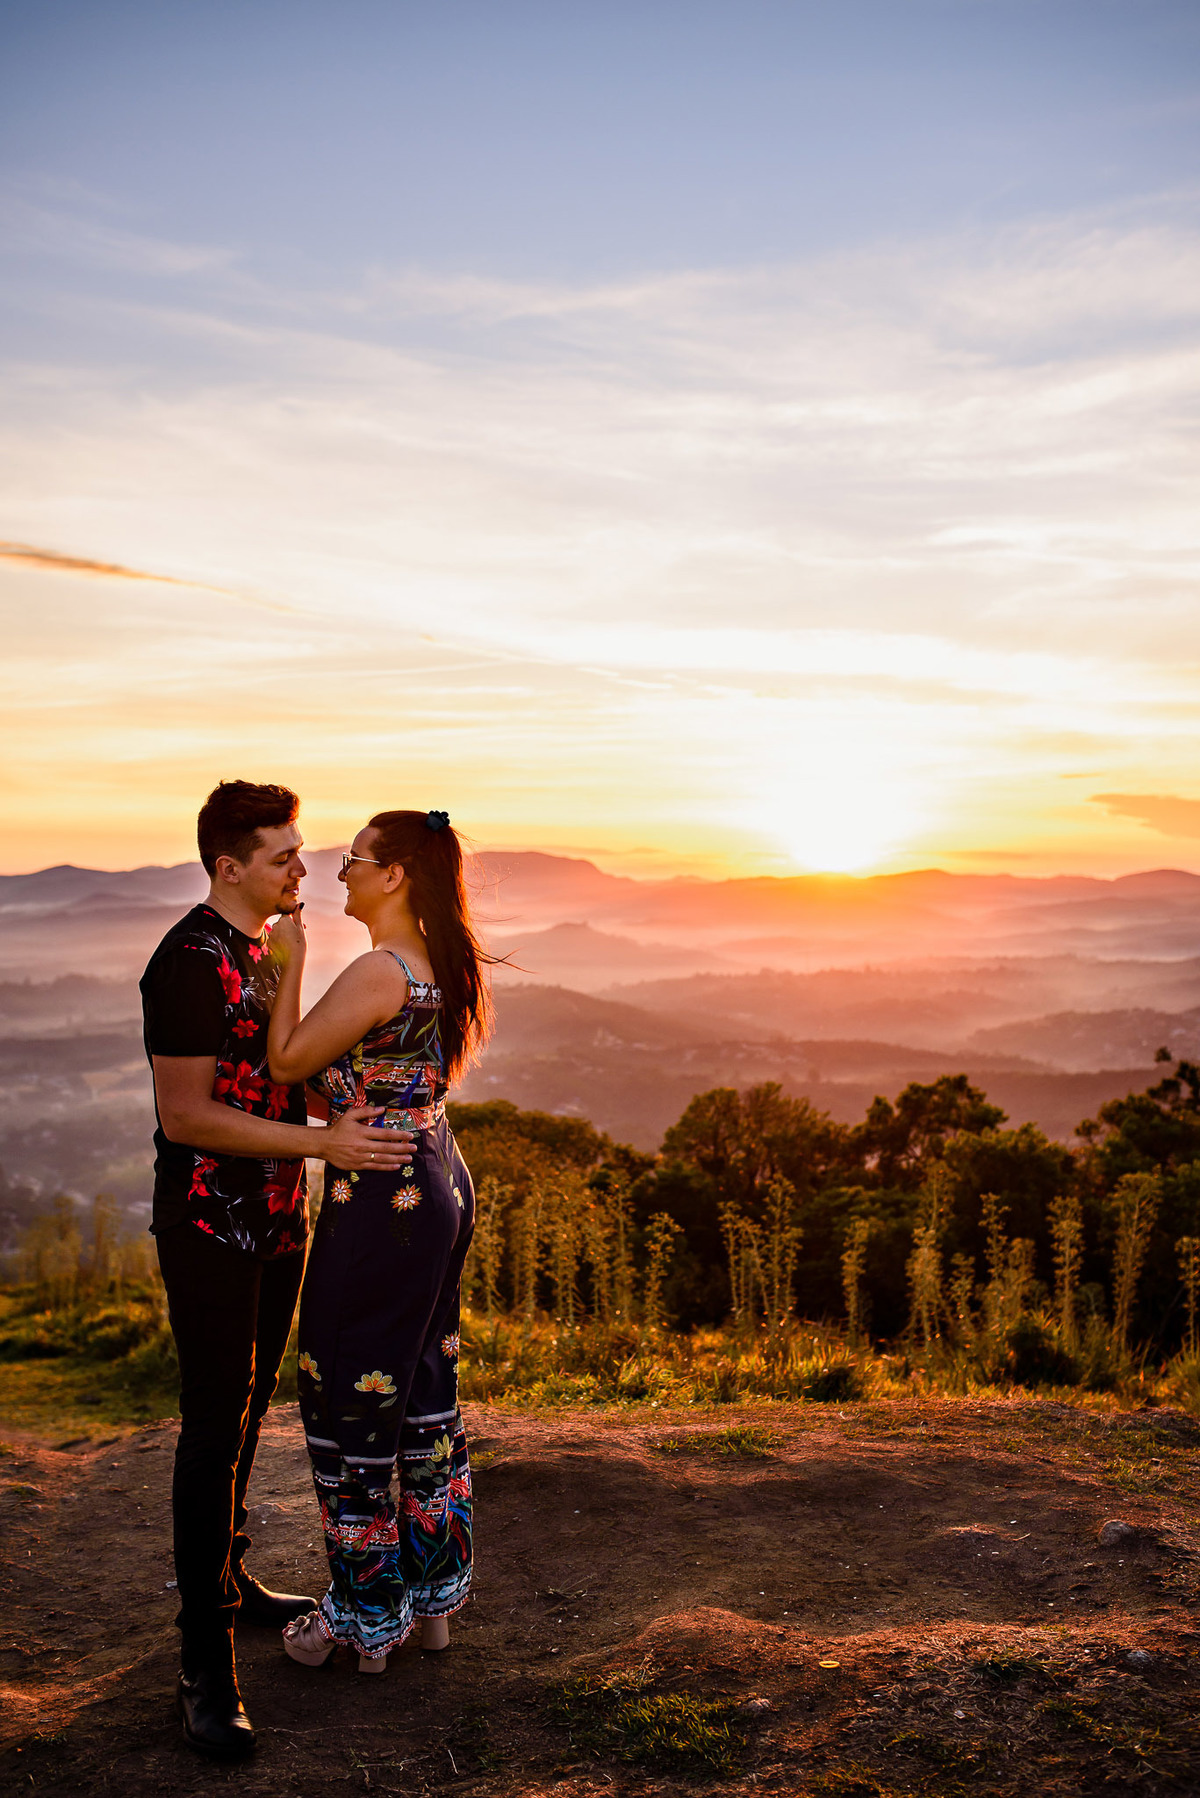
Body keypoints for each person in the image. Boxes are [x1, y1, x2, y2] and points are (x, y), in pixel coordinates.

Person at [141, 780, 414, 1759]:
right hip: (213, 1224)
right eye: (285, 857)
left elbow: (286, 1059)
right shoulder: (187, 961)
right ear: (229, 867)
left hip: (279, 1223)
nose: (307, 868)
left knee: (251, 1409)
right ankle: (202, 1662)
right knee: (215, 1420)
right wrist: (319, 1144)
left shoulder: (263, 952)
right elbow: (189, 1117)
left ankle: (229, 1579)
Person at [265, 807, 489, 1674]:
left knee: (349, 1391)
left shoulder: (379, 969)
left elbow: (287, 1060)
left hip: (382, 1203)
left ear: (394, 874)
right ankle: (429, 1607)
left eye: (354, 859)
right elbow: (388, 1086)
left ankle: (362, 1620)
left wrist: (289, 965)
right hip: (434, 1177)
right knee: (422, 1385)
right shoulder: (436, 967)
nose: (340, 871)